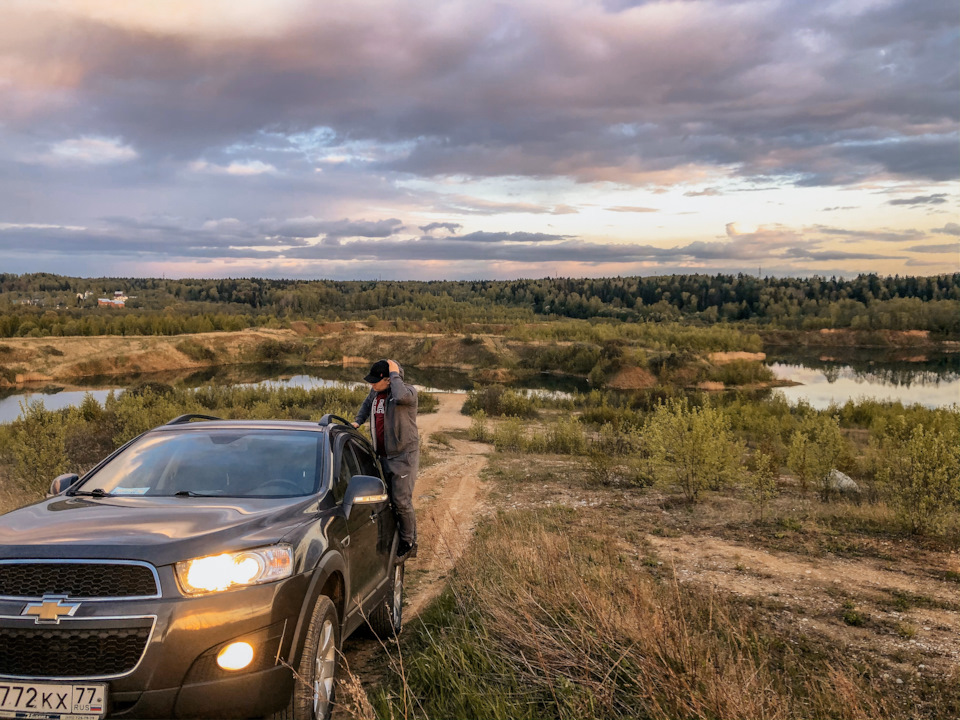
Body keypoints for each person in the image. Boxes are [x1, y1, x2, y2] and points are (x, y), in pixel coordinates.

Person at [352, 359, 419, 560]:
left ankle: (408, 543)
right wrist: (358, 421)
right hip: (383, 455)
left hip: (402, 456)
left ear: (389, 379)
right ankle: (395, 536)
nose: (372, 385)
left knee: (401, 501)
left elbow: (399, 396)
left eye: (376, 381)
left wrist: (394, 373)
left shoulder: (407, 392)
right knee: (388, 500)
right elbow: (366, 404)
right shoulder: (376, 393)